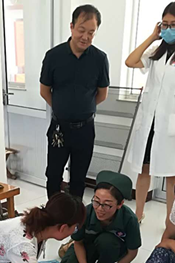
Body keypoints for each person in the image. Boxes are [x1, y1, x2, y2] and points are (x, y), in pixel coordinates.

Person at [125, 1, 175, 224]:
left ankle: (170, 222)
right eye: (165, 24)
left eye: (174, 24)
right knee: (144, 170)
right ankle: (138, 214)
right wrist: (153, 37)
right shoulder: (156, 51)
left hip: (173, 125)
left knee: (173, 175)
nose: (169, 29)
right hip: (150, 122)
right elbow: (130, 61)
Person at [40, 4, 110, 199]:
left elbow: (102, 94)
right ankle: (53, 214)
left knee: (79, 178)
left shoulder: (100, 59)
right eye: (81, 30)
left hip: (85, 129)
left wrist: (82, 108)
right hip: (59, 128)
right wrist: (62, 109)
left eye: (91, 32)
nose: (85, 37)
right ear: (71, 27)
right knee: (53, 175)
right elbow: (44, 91)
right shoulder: (53, 56)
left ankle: (75, 215)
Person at [57, 172, 141, 263]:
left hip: (111, 249)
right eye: (96, 201)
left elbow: (132, 253)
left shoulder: (129, 219)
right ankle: (69, 246)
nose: (100, 209)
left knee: (107, 242)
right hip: (87, 245)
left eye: (107, 205)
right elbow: (79, 242)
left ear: (120, 204)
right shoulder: (87, 212)